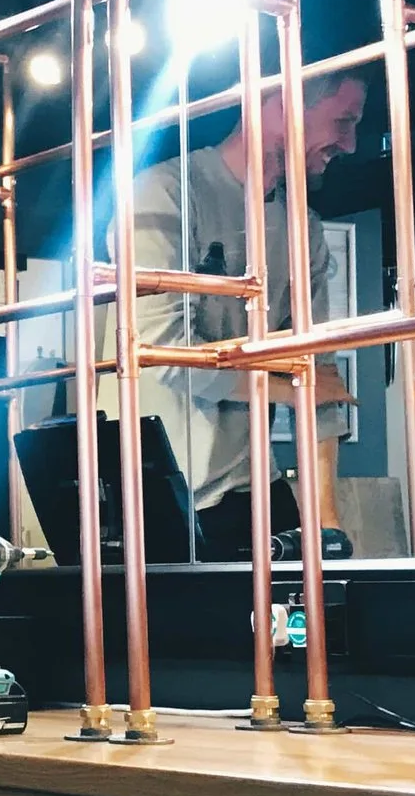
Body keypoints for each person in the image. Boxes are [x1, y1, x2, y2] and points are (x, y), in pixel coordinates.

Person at [123, 68, 368, 559]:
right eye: (343, 121)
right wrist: (288, 390)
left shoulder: (304, 229)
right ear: (278, 103)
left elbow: (316, 374)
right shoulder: (163, 193)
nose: (351, 143)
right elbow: (164, 355)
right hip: (164, 493)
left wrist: (327, 526)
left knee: (294, 634)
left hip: (254, 486)